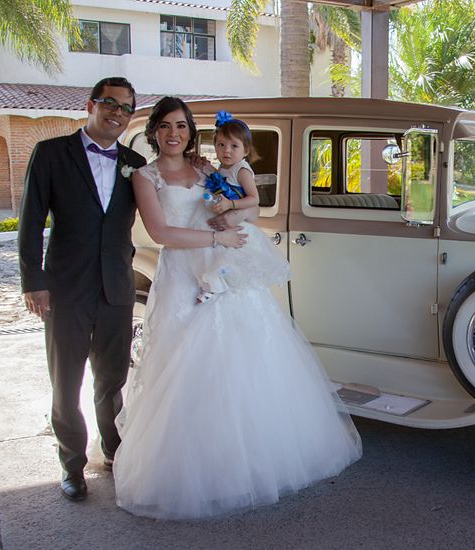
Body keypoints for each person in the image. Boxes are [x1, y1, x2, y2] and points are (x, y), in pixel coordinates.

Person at [113, 97, 361, 520]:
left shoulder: (208, 168)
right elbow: (161, 231)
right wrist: (217, 239)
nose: (175, 133)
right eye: (167, 126)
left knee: (242, 359)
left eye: (182, 126)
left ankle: (249, 461)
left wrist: (232, 216)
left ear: (192, 132)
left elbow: (253, 205)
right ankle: (191, 466)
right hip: (183, 273)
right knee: (181, 365)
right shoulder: (144, 176)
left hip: (223, 270)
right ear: (154, 131)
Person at [18, 77, 147, 501]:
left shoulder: (134, 163)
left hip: (116, 289)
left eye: (126, 107)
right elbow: (31, 220)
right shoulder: (52, 154)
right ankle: (72, 464)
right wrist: (33, 281)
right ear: (90, 105)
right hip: (63, 289)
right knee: (66, 381)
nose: (117, 112)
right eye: (109, 103)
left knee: (112, 379)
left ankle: (114, 451)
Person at [191, 110, 288, 304]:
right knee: (216, 253)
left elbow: (254, 198)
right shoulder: (223, 168)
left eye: (233, 146)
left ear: (245, 150)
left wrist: (231, 203)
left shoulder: (242, 170)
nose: (226, 150)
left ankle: (214, 286)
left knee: (228, 257)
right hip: (224, 220)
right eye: (221, 145)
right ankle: (213, 284)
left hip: (239, 221)